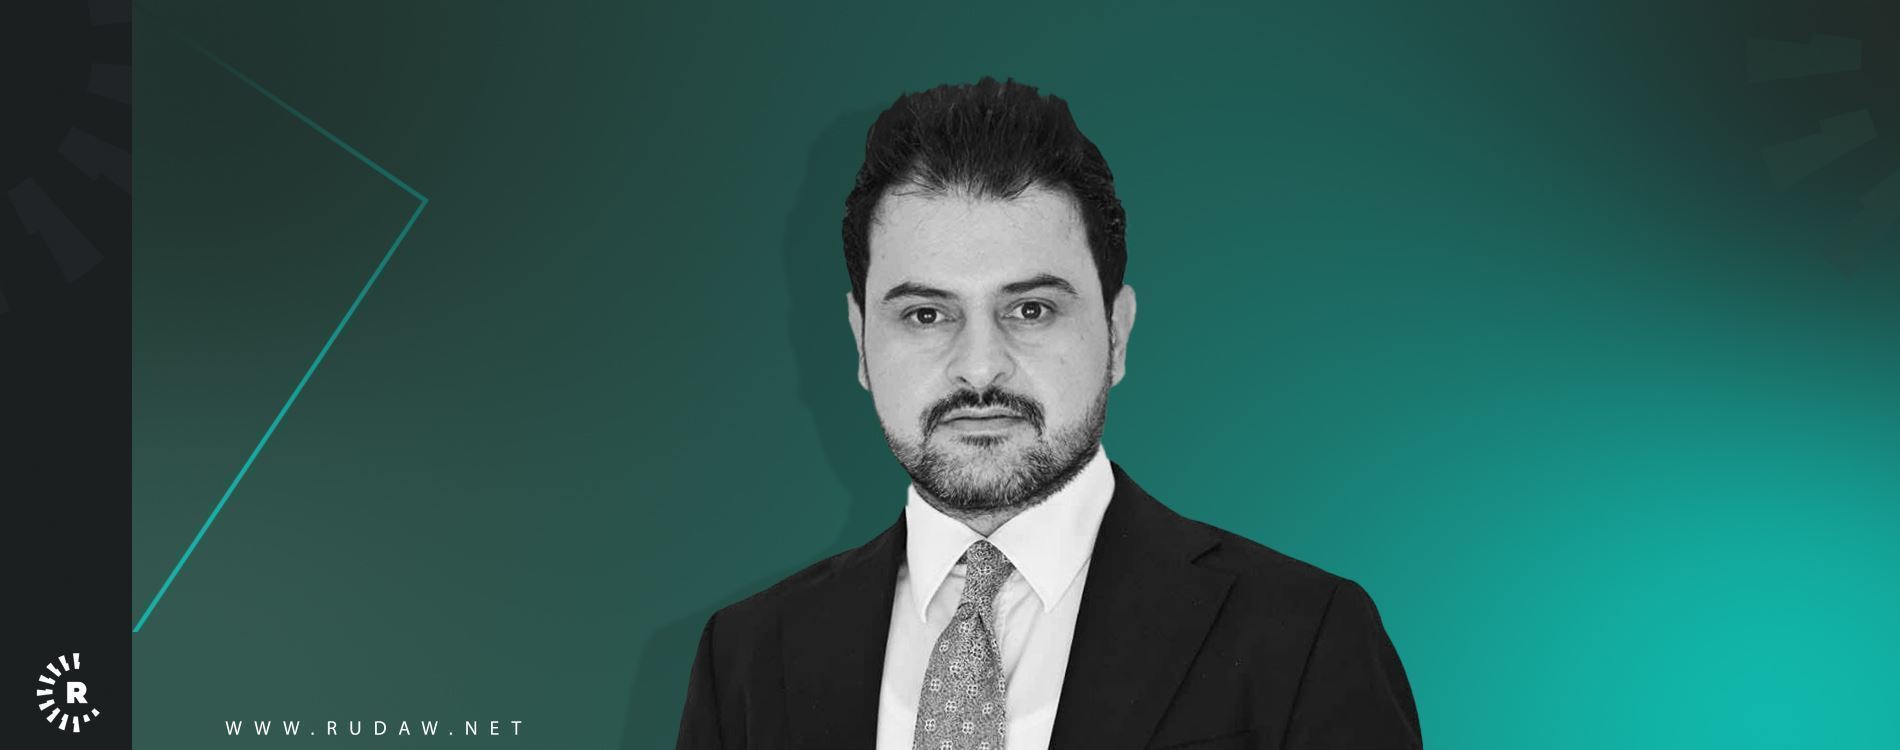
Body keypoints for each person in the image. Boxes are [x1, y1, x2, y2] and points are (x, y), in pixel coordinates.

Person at [676, 77, 1420, 750]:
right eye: (926, 314)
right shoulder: (746, 659)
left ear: (1117, 334)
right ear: (861, 342)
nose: (979, 368)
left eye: (1030, 309)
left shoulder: (1306, 638)